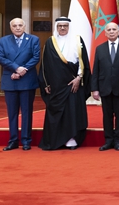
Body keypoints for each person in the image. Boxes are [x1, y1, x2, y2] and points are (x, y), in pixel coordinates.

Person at [38, 17, 90, 150]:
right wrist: (46, 83)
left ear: (69, 27)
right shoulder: (50, 42)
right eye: (59, 26)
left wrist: (79, 78)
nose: (62, 28)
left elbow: (83, 62)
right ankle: (56, 140)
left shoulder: (77, 40)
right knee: (56, 112)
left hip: (73, 83)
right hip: (56, 85)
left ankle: (72, 139)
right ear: (56, 27)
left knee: (72, 111)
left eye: (65, 26)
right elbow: (45, 65)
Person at [0, 17, 40, 151]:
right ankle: (13, 140)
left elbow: (36, 57)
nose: (17, 28)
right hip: (10, 80)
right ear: (11, 28)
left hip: (27, 80)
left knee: (27, 112)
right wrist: (16, 68)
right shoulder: (3, 41)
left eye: (20, 25)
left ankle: (26, 140)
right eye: (14, 26)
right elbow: (1, 57)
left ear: (24, 26)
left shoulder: (33, 39)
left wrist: (22, 70)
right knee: (12, 113)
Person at [91, 23, 119, 151]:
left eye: (114, 29)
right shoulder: (100, 48)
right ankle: (108, 140)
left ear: (118, 32)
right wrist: (95, 89)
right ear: (105, 33)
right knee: (107, 116)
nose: (111, 31)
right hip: (105, 87)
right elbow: (96, 70)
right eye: (109, 30)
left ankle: (118, 140)